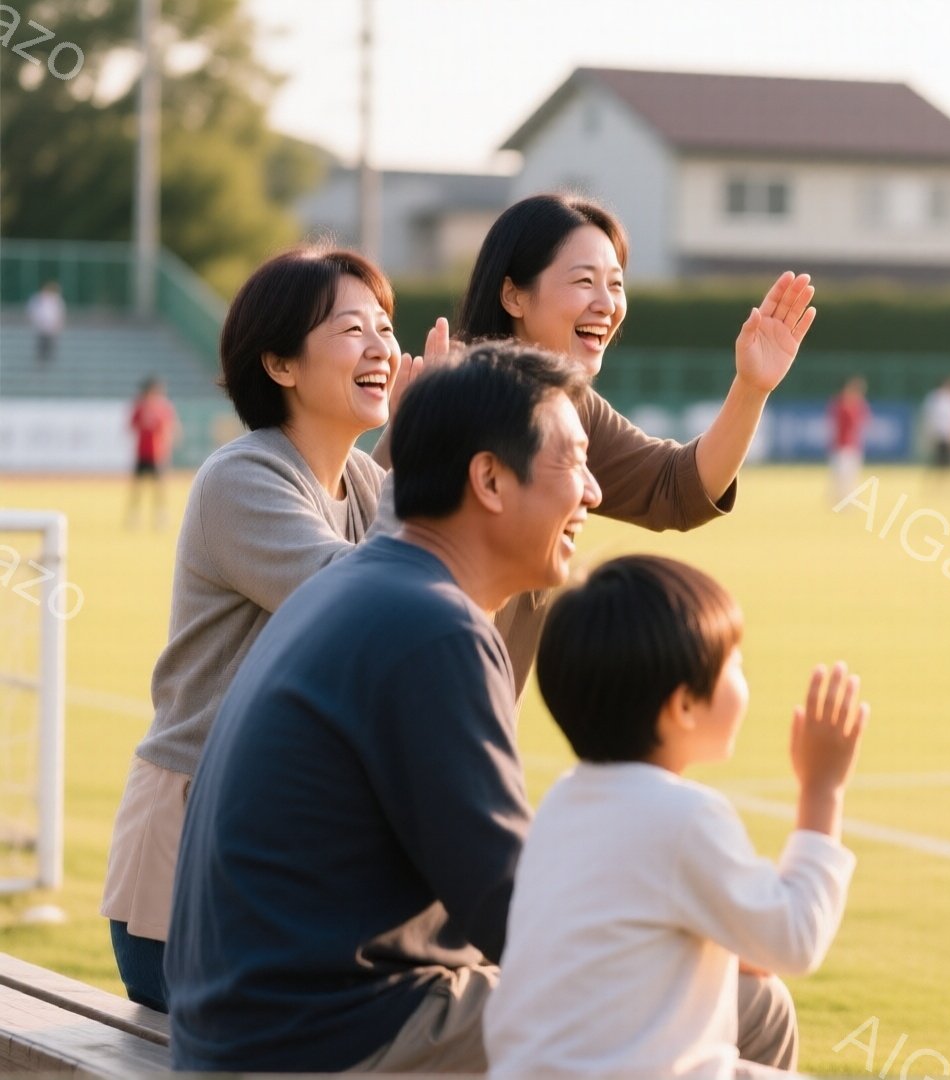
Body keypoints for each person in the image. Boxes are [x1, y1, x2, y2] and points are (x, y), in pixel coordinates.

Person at [436, 193, 817, 1062]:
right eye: (583, 281)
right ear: (513, 294)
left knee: (740, 995)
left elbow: (676, 489)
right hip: (413, 852)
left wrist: (751, 386)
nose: (608, 301)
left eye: (617, 282)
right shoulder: (452, 410)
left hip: (466, 791)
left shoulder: (562, 408)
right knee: (733, 1000)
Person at [166, 344, 600, 1072]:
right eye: (575, 461)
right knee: (734, 1008)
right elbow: (511, 911)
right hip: (324, 1041)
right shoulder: (436, 627)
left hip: (248, 1030)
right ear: (489, 478)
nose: (591, 491)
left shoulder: (359, 588)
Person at [100, 247, 443, 1013]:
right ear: (281, 364)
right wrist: (432, 456)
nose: (383, 348)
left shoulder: (365, 483)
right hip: (192, 899)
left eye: (386, 328)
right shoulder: (242, 477)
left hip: (287, 868)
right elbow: (363, 603)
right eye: (352, 329)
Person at [486, 557, 866, 1078]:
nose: (743, 677)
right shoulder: (684, 819)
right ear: (684, 706)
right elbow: (796, 939)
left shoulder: (564, 802)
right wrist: (823, 790)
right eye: (733, 662)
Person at [126, 377, 179, 530]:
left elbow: (171, 427)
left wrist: (168, 444)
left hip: (157, 454)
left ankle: (160, 516)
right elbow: (132, 425)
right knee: (137, 487)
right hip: (142, 453)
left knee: (159, 488)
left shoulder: (163, 408)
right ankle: (134, 516)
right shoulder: (140, 407)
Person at [827, 375, 871, 505]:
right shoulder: (841, 403)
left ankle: (848, 501)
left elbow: (864, 422)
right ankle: (838, 501)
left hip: (853, 445)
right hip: (841, 445)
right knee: (840, 475)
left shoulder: (858, 404)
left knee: (851, 475)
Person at [28, 281, 64, 366]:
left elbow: (60, 314)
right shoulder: (37, 299)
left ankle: (49, 363)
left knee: (51, 346)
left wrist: (57, 325)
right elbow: (32, 312)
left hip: (51, 328)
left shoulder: (57, 300)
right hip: (41, 328)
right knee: (41, 346)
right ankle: (41, 363)